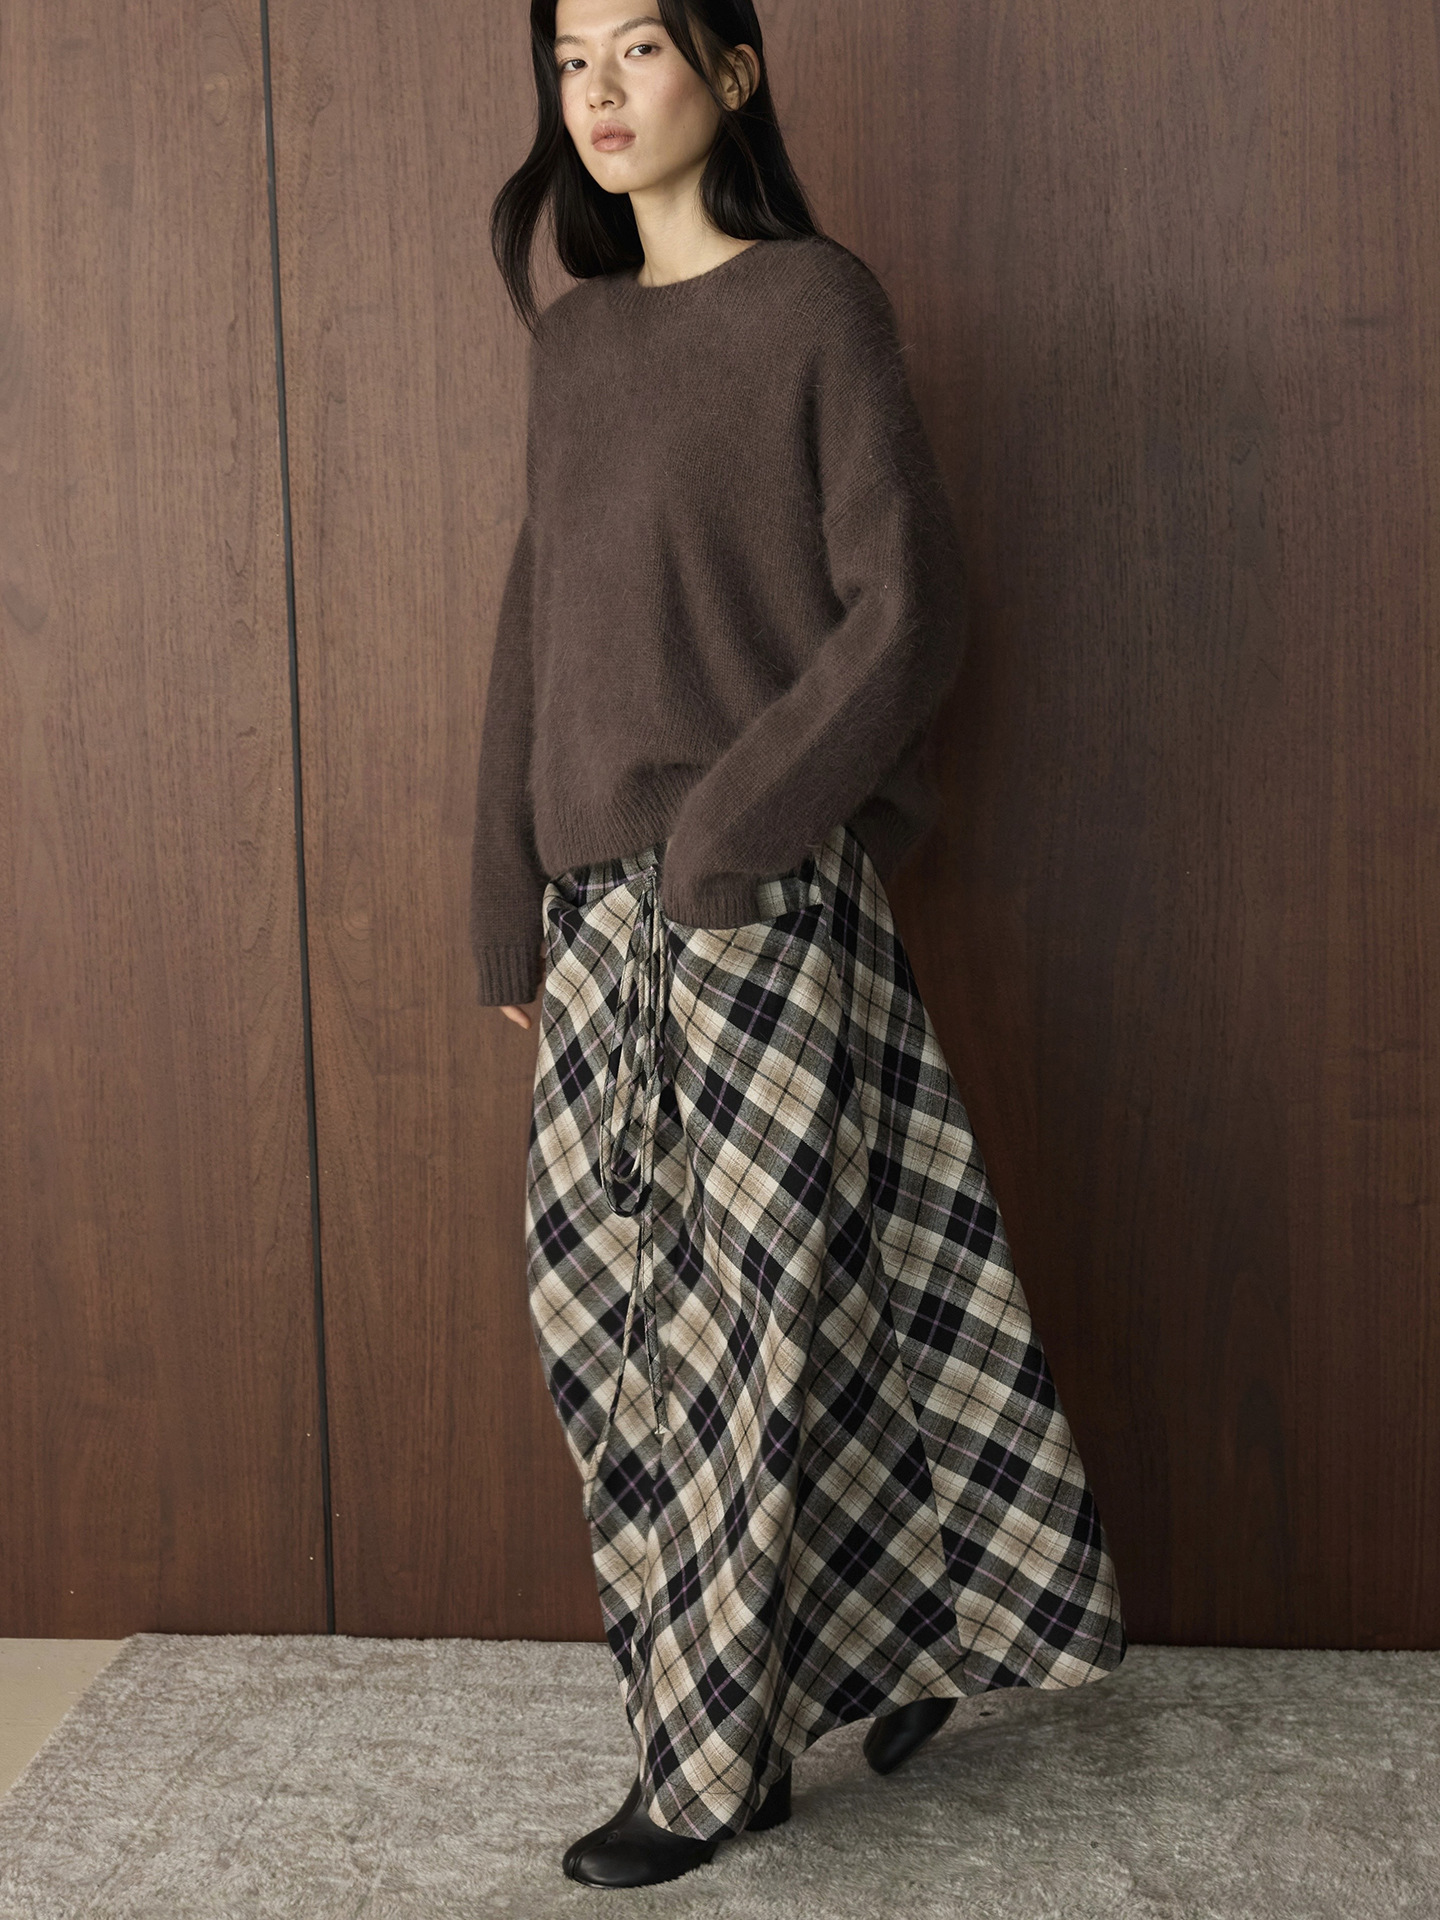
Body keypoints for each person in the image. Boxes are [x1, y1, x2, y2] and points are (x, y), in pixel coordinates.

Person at [470, 0, 1127, 1889]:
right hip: (602, 916)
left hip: (749, 896)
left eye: (639, 48)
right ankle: (914, 1632)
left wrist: (728, 834)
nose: (598, 93)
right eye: (570, 59)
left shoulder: (815, 305)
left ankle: (711, 1771)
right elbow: (536, 627)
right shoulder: (577, 342)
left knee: (738, 1341)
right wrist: (502, 896)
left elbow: (909, 608)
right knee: (674, 1315)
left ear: (734, 72)